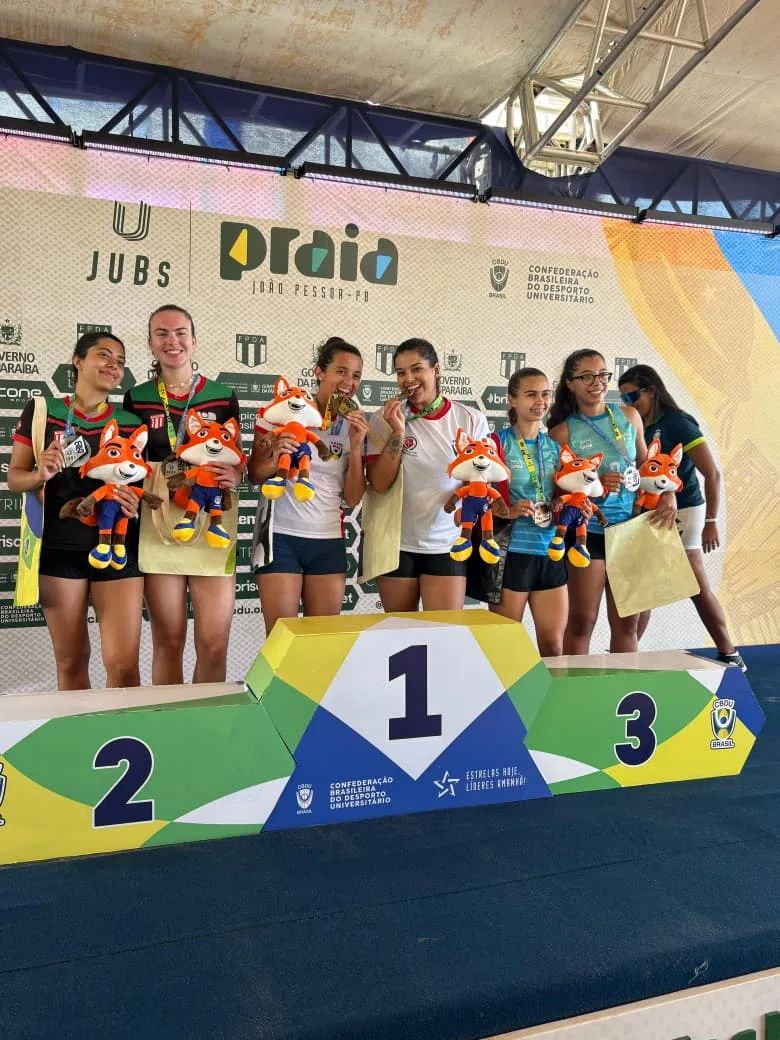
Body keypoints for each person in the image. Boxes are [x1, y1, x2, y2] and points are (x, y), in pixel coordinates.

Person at [8, 332, 145, 690]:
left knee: (124, 668)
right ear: (78, 360)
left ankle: (124, 728)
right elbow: (15, 478)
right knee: (71, 661)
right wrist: (39, 473)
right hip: (59, 550)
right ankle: (78, 729)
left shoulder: (131, 422)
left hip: (118, 550)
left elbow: (140, 485)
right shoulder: (43, 411)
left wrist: (135, 504)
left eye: (120, 361)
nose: (114, 365)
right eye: (104, 355)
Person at [123, 305, 244, 685]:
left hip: (212, 521)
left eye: (180, 333)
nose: (171, 341)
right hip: (158, 523)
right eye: (161, 333)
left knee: (213, 643)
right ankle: (169, 718)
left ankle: (205, 718)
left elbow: (238, 458)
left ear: (194, 340)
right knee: (168, 640)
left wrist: (237, 473)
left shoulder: (222, 396)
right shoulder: (136, 398)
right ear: (150, 343)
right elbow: (128, 460)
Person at [548, 349, 677, 655]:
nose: (597, 382)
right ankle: (574, 684)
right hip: (587, 532)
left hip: (631, 529)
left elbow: (647, 467)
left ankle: (624, 682)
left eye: (602, 375)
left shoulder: (629, 416)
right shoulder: (562, 432)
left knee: (627, 623)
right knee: (582, 621)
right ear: (570, 383)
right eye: (587, 376)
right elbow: (555, 496)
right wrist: (593, 485)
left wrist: (668, 493)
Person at [618, 364, 745, 670]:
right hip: (652, 511)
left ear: (651, 390)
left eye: (633, 396)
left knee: (695, 585)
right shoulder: (640, 425)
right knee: (643, 587)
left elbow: (712, 473)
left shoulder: (677, 422)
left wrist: (711, 522)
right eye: (624, 399)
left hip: (685, 508)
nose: (629, 403)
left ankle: (729, 652)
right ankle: (629, 655)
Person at [248, 336, 370, 636]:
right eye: (341, 371)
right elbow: (254, 475)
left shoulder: (354, 425)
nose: (349, 382)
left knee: (322, 642)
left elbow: (353, 498)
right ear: (319, 373)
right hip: (279, 536)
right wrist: (275, 457)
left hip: (327, 539)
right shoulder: (282, 411)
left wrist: (356, 446)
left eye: (356, 375)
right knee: (281, 640)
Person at [366, 337, 489, 612]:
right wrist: (397, 432)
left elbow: (479, 481)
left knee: (444, 632)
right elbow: (379, 483)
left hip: (447, 543)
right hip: (395, 543)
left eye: (417, 369)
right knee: (400, 631)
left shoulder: (470, 419)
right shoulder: (384, 418)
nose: (408, 379)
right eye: (401, 373)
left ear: (436, 370)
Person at [488, 368, 569, 657]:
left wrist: (564, 505)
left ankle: (552, 691)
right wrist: (507, 511)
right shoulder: (496, 444)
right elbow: (475, 496)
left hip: (549, 551)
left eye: (545, 394)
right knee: (506, 649)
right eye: (531, 394)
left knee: (553, 646)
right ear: (512, 400)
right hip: (512, 552)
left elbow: (560, 495)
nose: (540, 401)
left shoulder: (555, 448)